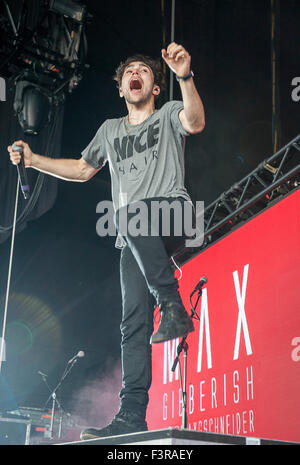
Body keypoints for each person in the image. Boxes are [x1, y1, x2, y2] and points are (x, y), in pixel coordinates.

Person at [8, 42, 205, 439]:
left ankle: (172, 307)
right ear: (120, 88)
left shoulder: (167, 113)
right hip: (134, 238)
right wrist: (33, 160)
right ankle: (131, 415)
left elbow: (196, 122)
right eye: (129, 70)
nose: (136, 72)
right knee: (131, 325)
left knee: (128, 215)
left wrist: (184, 76)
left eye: (144, 71)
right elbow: (82, 169)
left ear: (153, 88)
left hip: (174, 213)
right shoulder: (110, 131)